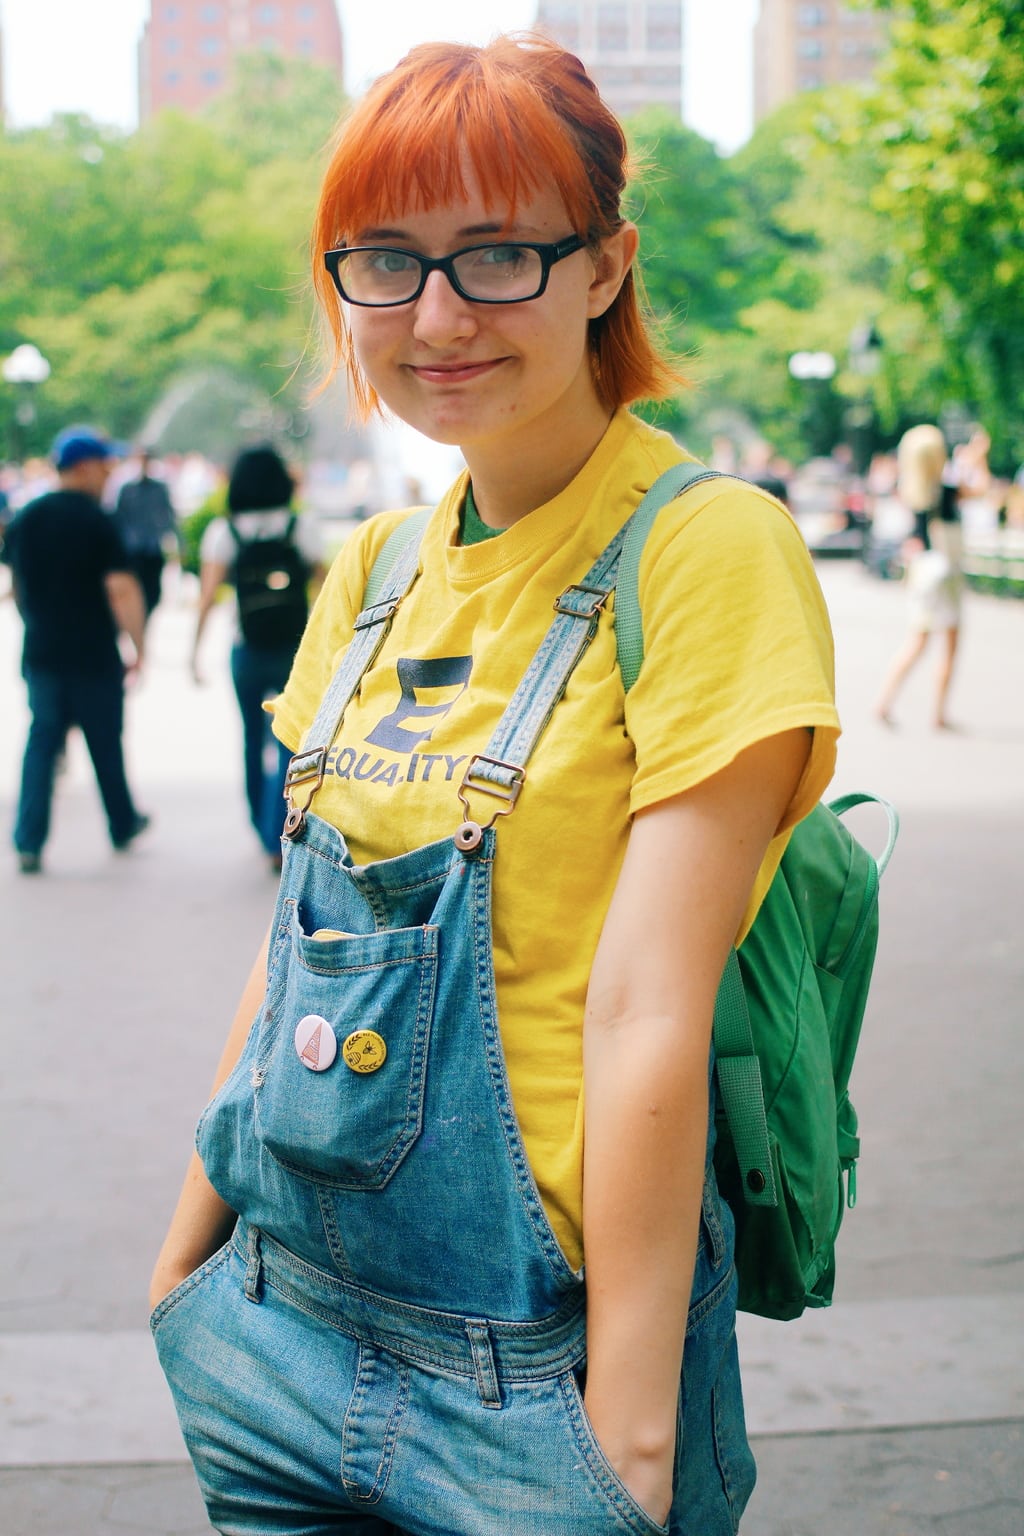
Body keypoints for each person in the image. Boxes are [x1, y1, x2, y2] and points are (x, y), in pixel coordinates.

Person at [151, 36, 840, 1535]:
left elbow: (646, 1007)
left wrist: (631, 1443)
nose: (438, 316)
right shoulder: (377, 572)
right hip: (279, 1329)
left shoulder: (703, 550)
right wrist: (182, 1266)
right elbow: (297, 951)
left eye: (499, 255)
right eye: (385, 261)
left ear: (606, 269)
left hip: (544, 1384)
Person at [4, 425, 150, 873]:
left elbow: (17, 582)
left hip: (43, 652)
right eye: (105, 466)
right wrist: (139, 646)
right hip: (92, 654)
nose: (109, 475)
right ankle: (122, 823)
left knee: (42, 743)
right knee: (104, 741)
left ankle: (29, 839)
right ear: (84, 468)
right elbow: (121, 589)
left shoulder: (27, 517)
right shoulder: (97, 519)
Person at [191, 443, 325, 868]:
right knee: (289, 738)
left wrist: (192, 650)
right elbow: (325, 587)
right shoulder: (300, 525)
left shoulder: (224, 531)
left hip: (246, 647)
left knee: (251, 737)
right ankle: (279, 828)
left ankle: (259, 824)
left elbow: (208, 595)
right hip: (294, 647)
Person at [876, 423, 962, 729]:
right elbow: (983, 487)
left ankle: (884, 701)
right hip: (944, 575)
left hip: (921, 573)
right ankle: (939, 714)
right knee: (949, 644)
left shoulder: (909, 491)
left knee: (916, 641)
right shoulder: (947, 492)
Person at [110, 447, 180, 622]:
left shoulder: (159, 487)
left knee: (154, 590)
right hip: (133, 547)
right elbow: (119, 517)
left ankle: (143, 619)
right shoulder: (126, 488)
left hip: (153, 546)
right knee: (135, 588)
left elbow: (169, 514)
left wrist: (177, 540)